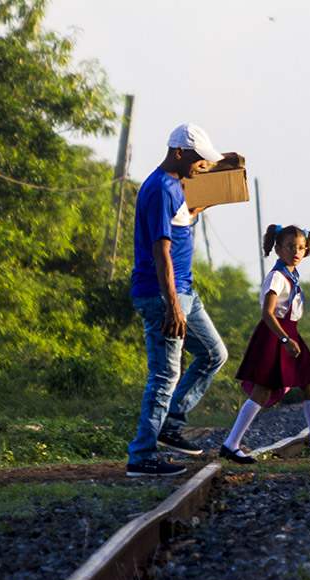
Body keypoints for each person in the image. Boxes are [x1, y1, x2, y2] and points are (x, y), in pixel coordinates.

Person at [126, 123, 229, 477]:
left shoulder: (174, 188)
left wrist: (204, 203)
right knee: (164, 376)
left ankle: (170, 424)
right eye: (201, 160)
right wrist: (171, 305)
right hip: (163, 295)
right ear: (181, 153)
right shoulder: (159, 189)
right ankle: (141, 457)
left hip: (185, 291)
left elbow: (179, 224)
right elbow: (160, 252)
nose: (204, 166)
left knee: (214, 353)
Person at [220, 224, 310, 464]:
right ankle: (230, 444)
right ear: (278, 249)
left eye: (300, 247)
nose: (296, 252)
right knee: (262, 390)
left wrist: (290, 337)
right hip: (275, 334)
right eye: (289, 247)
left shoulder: (292, 275)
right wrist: (285, 339)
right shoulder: (277, 276)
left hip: (290, 333)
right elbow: (267, 313)